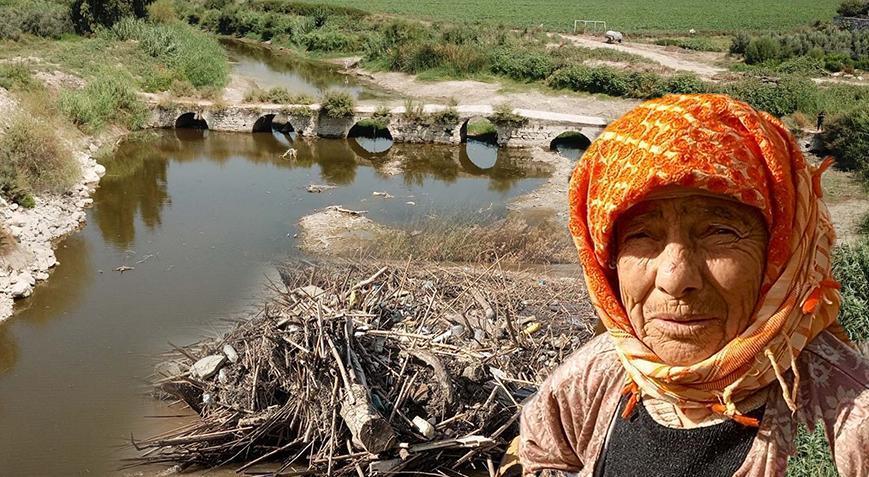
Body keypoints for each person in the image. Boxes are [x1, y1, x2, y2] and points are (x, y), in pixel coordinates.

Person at [518, 94, 868, 477]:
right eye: (641, 236)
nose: (675, 279)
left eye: (720, 232)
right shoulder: (591, 379)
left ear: (781, 254)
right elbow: (543, 457)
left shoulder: (850, 420)